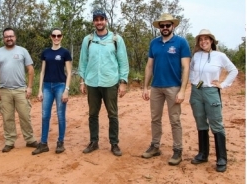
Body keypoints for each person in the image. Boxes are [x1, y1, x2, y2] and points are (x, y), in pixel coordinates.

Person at [141, 13, 190, 166]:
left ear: (173, 26)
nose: (165, 28)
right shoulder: (154, 43)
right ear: (159, 28)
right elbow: (149, 66)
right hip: (156, 87)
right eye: (162, 26)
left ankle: (177, 150)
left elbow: (186, 67)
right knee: (155, 118)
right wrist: (145, 87)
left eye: (167, 25)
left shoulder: (181, 42)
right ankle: (155, 146)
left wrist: (182, 90)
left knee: (174, 119)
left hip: (173, 87)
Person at [78, 9, 129, 157]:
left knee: (112, 114)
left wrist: (123, 81)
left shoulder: (116, 39)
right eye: (96, 19)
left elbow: (123, 62)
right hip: (92, 82)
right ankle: (94, 142)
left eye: (101, 19)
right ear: (93, 22)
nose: (99, 22)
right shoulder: (88, 40)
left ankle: (114, 143)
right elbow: (83, 61)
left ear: (106, 20)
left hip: (110, 82)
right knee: (93, 114)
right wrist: (82, 81)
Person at [188, 29, 238, 173]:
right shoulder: (196, 55)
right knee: (200, 121)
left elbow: (233, 70)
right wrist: (193, 81)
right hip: (196, 91)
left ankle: (221, 158)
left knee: (216, 123)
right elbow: (191, 70)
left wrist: (222, 84)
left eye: (206, 39)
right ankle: (203, 154)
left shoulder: (220, 56)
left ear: (211, 41)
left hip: (211, 91)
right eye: (201, 39)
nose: (203, 42)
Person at [0, 28, 39, 153]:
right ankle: (10, 141)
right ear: (3, 38)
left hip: (21, 89)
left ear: (15, 37)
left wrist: (30, 87)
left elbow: (31, 70)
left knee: (25, 115)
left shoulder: (23, 51)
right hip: (4, 90)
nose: (9, 38)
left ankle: (30, 139)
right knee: (7, 117)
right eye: (6, 36)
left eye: (11, 36)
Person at [32, 28, 72, 155]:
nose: (56, 38)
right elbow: (42, 71)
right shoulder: (46, 52)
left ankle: (60, 142)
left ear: (62, 37)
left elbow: (69, 72)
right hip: (47, 86)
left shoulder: (65, 53)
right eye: (54, 35)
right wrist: (40, 90)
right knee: (45, 115)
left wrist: (67, 89)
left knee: (60, 115)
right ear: (50, 37)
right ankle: (43, 143)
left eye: (58, 35)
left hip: (60, 85)